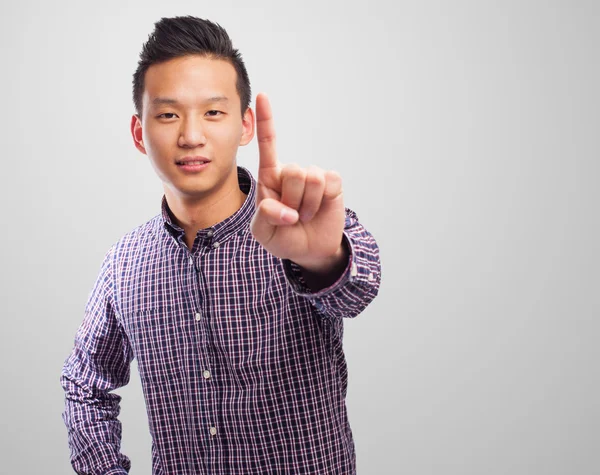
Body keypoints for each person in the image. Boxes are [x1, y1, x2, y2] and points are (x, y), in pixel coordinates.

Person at [61, 16, 381, 475]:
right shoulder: (123, 264)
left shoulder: (298, 222)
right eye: (169, 114)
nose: (192, 135)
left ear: (245, 124)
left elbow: (359, 289)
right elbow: (84, 383)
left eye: (213, 112)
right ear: (139, 133)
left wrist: (321, 261)